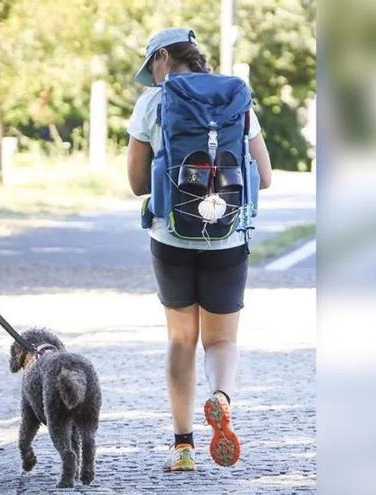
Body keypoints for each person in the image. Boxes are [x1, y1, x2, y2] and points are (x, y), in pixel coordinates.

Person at [126, 28, 273, 472]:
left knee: (181, 338)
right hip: (227, 235)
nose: (152, 75)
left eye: (152, 64)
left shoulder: (153, 102)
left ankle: (183, 446)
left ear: (164, 58)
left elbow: (136, 184)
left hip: (171, 236)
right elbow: (263, 177)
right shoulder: (236, 98)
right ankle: (221, 397)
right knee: (223, 339)